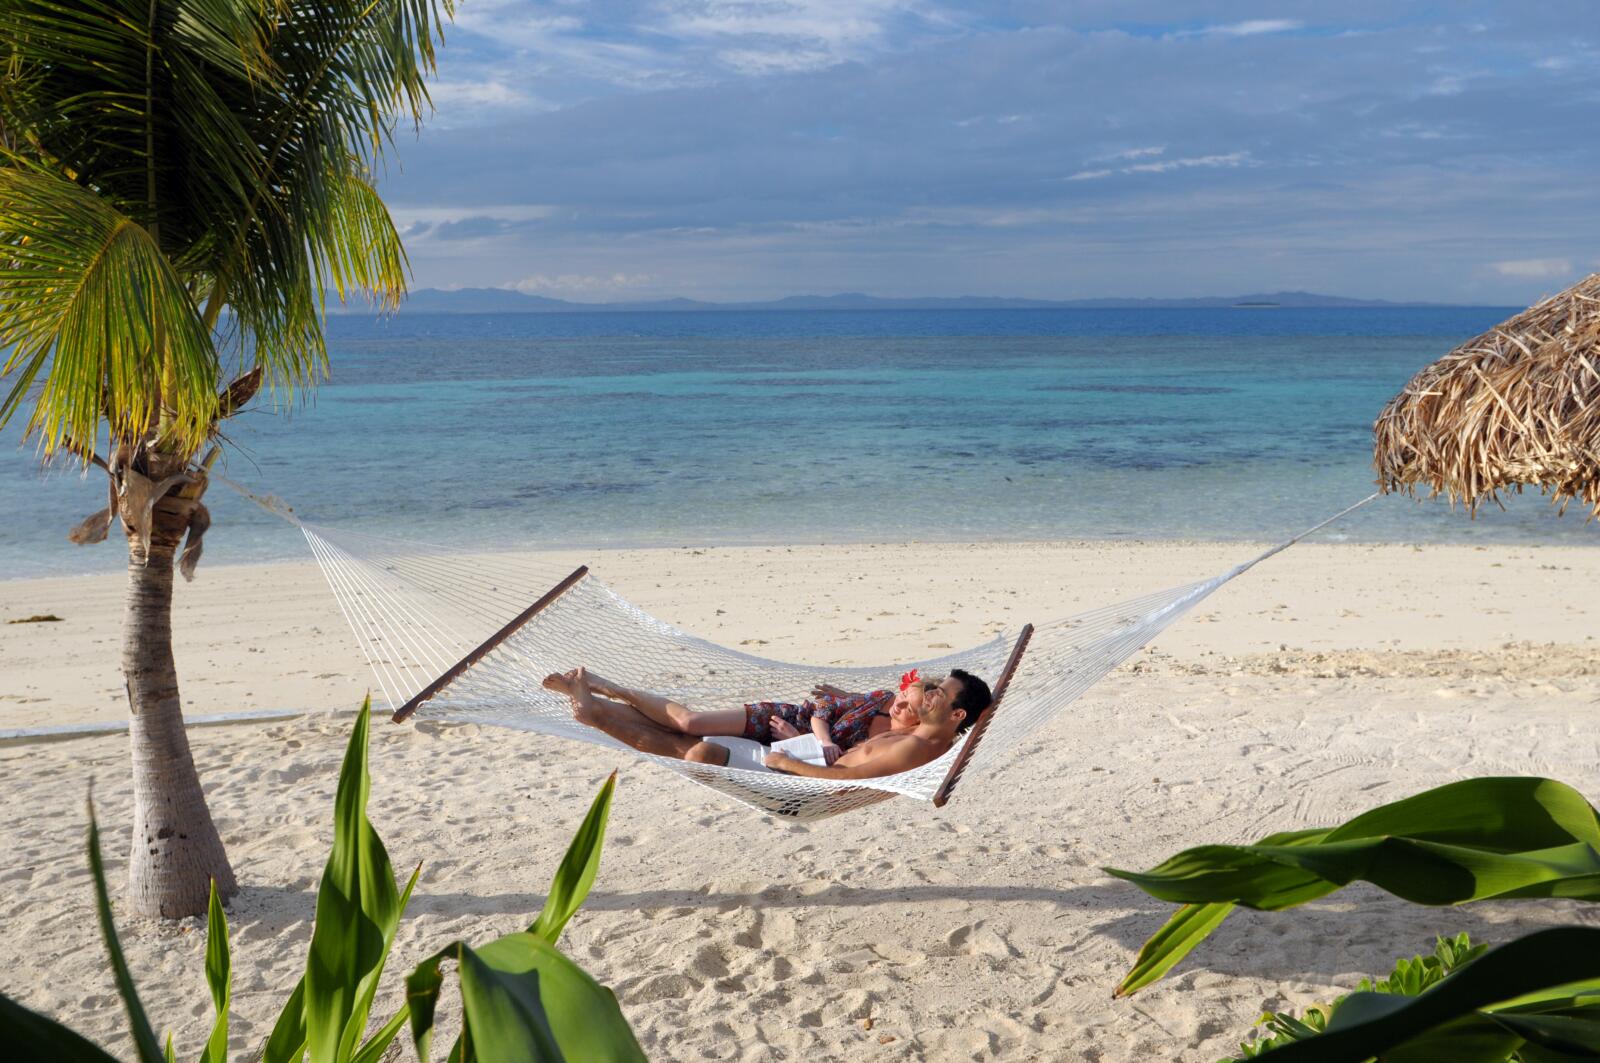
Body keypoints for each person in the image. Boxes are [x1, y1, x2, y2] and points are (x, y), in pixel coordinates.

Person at [552, 666, 994, 781]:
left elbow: (850, 775)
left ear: (956, 715)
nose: (927, 693)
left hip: (798, 777)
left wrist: (787, 763)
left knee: (701, 749)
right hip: (794, 759)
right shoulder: (914, 725)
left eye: (938, 693)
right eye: (929, 688)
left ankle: (595, 713)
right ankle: (595, 710)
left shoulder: (916, 746)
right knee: (691, 734)